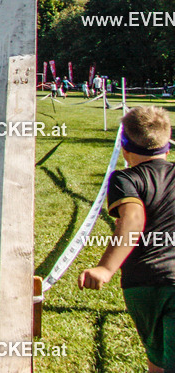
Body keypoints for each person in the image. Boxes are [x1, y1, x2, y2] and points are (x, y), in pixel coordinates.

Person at [79, 106, 175, 373]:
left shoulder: (124, 178)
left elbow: (132, 219)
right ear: (168, 144)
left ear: (124, 147)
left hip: (143, 283)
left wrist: (106, 268)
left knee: (156, 358)